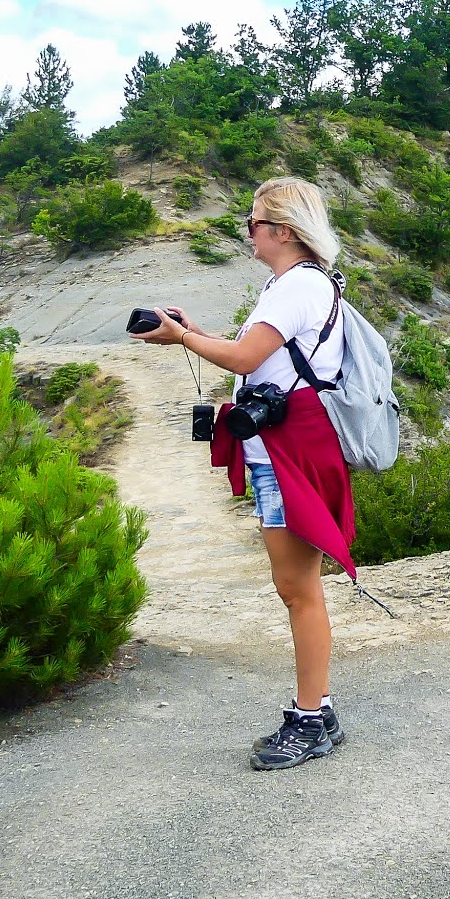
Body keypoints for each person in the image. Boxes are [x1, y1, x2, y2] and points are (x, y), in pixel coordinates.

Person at [129, 177, 354, 771]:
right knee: (297, 585)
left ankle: (311, 718)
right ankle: (318, 706)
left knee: (298, 588)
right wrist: (192, 333)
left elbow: (245, 358)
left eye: (252, 223)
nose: (246, 233)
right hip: (288, 444)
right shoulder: (298, 285)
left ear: (281, 230)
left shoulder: (294, 287)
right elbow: (254, 354)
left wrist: (183, 336)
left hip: (289, 449)